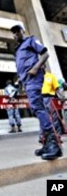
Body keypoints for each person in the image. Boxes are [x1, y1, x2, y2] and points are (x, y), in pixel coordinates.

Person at [10, 24, 62, 160]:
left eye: (17, 31)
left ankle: (54, 144)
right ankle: (46, 143)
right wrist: (21, 82)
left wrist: (35, 68)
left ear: (23, 31)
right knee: (37, 109)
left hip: (34, 78)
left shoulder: (30, 40)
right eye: (13, 33)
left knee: (38, 108)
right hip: (27, 81)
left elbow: (45, 54)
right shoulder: (19, 49)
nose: (15, 34)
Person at [41, 67, 64, 140]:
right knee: (43, 117)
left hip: (50, 98)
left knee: (54, 117)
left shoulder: (51, 76)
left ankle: (57, 135)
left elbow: (56, 88)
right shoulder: (36, 78)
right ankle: (43, 137)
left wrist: (61, 96)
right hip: (41, 99)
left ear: (44, 66)